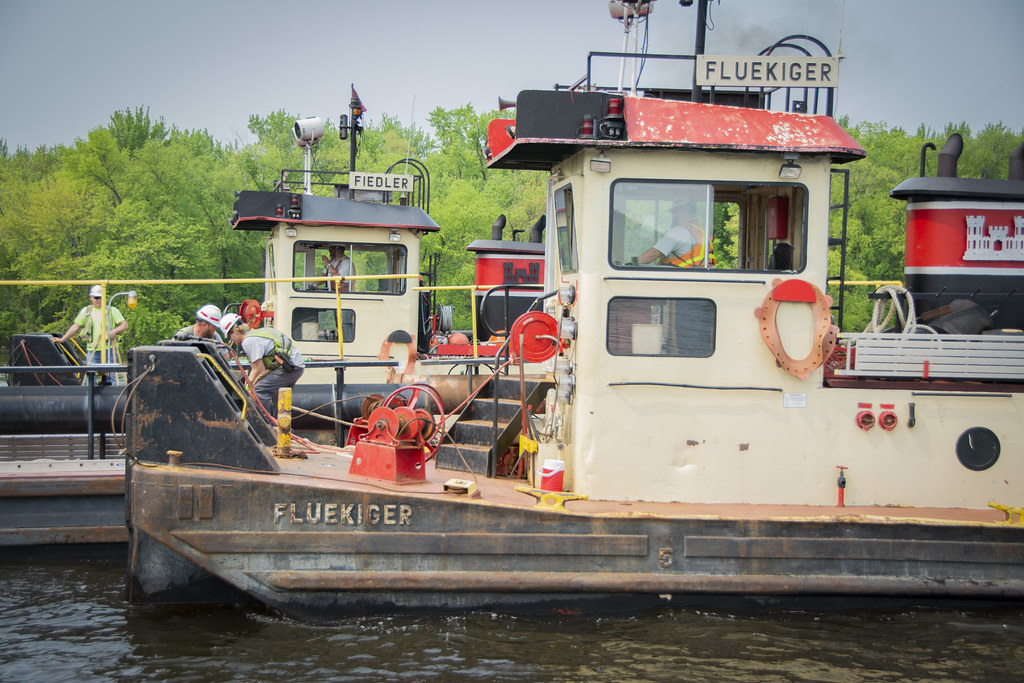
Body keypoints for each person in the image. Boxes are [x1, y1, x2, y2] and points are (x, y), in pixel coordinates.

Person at [220, 313, 305, 417]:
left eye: (230, 336)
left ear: (235, 331)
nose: (231, 340)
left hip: (289, 368)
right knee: (276, 397)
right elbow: (257, 367)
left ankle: (267, 424)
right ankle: (281, 427)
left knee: (259, 391)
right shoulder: (255, 335)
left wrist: (246, 387)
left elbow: (259, 369)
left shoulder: (248, 341)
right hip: (294, 367)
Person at [54, 285, 129, 384]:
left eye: (101, 297)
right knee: (90, 378)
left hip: (109, 350)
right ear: (91, 298)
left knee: (112, 377)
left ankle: (114, 398)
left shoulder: (112, 310)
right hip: (93, 350)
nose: (99, 300)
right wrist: (63, 339)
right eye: (96, 298)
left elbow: (124, 325)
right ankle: (89, 399)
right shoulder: (86, 312)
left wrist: (114, 331)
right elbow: (76, 327)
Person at [638, 202, 715, 267]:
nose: (674, 215)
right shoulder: (703, 231)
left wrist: (632, 264)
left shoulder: (679, 231)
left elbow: (653, 254)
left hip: (681, 281)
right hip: (699, 279)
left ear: (679, 211)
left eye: (674, 212)